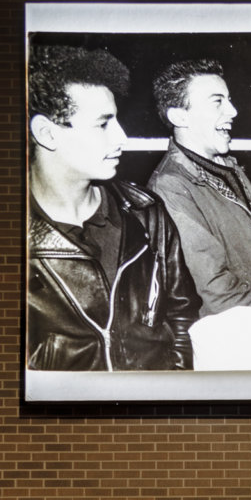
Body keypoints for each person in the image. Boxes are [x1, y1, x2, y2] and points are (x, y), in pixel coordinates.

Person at [26, 45, 199, 371]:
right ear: (47, 134)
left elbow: (182, 317)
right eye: (103, 124)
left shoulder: (145, 212)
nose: (121, 137)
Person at [146, 59, 251, 315]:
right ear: (179, 116)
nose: (233, 111)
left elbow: (245, 220)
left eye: (228, 99)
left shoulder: (225, 166)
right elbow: (218, 291)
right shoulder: (171, 187)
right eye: (217, 101)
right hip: (247, 335)